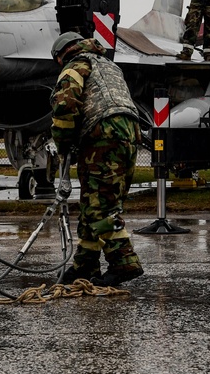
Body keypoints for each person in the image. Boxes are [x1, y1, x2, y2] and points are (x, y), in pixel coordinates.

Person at [50, 32, 144, 287]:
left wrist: (63, 145)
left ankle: (124, 262)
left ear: (61, 55)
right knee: (96, 199)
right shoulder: (109, 66)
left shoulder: (75, 66)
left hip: (103, 134)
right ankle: (85, 264)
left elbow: (65, 107)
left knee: (100, 205)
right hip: (128, 133)